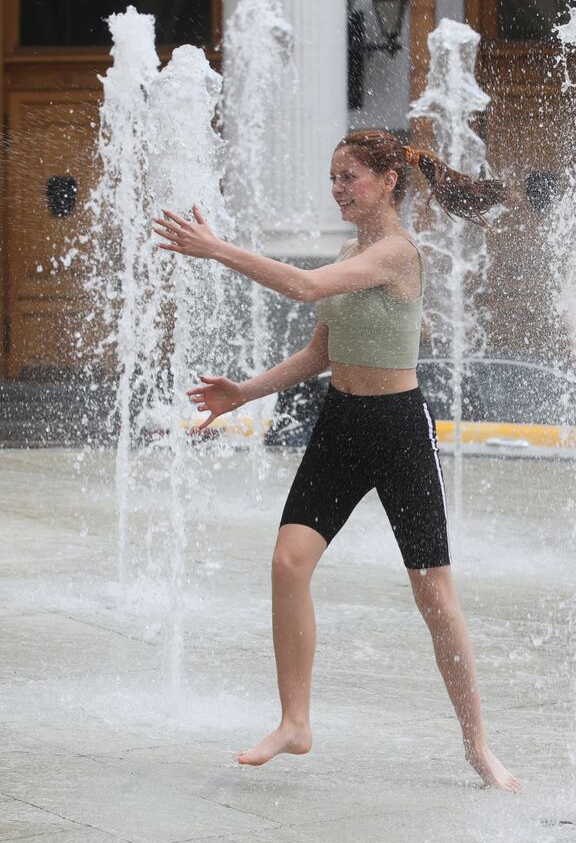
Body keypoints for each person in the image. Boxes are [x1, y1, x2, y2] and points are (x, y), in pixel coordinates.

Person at [151, 129, 519, 791]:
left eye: (348, 177)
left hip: (399, 431)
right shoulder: (356, 251)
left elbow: (299, 285)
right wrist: (243, 393)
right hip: (342, 425)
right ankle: (295, 723)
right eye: (332, 178)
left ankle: (478, 745)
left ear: (386, 182)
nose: (337, 188)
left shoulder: (396, 254)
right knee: (288, 563)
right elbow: (322, 351)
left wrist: (216, 249)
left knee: (433, 592)